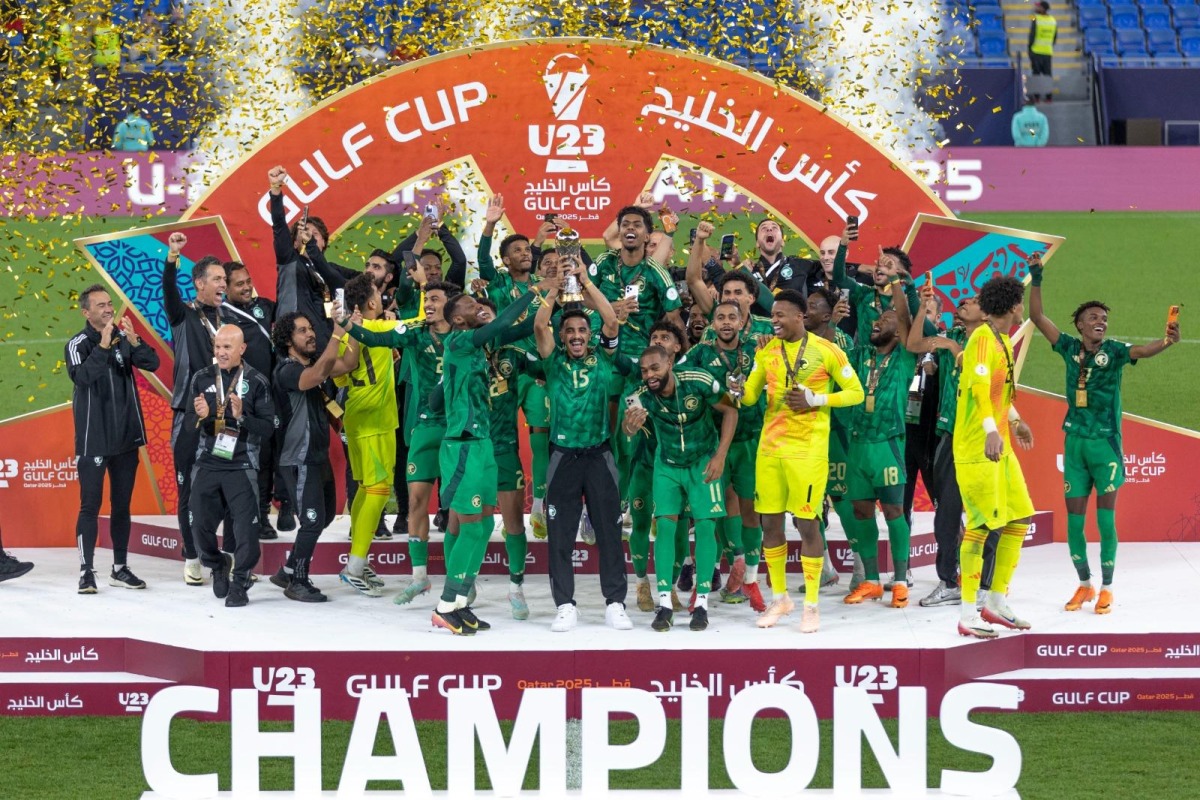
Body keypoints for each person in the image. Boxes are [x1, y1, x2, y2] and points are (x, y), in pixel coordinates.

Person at [1027, 254, 1179, 614]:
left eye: (1104, 318)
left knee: (1105, 520)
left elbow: (1143, 350)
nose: (1101, 321)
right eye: (1093, 317)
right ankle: (1084, 584)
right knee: (1074, 523)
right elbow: (1036, 317)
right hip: (1075, 445)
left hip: (1105, 446)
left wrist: (1168, 341)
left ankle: (1108, 588)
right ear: (1079, 324)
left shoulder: (1115, 351)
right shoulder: (1067, 347)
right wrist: (1037, 278)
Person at [740, 289, 864, 633]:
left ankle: (811, 604)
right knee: (770, 525)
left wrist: (816, 398)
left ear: (800, 317)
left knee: (808, 525)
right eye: (773, 315)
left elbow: (857, 393)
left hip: (807, 452)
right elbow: (750, 397)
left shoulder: (828, 351)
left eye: (780, 315)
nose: (774, 320)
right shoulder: (766, 352)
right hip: (770, 452)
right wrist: (736, 388)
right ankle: (781, 598)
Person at [430, 288, 538, 635]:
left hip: (483, 445)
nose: (478, 307)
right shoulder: (459, 342)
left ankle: (461, 602)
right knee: (471, 526)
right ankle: (445, 605)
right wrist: (534, 290)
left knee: (484, 527)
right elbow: (505, 320)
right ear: (457, 318)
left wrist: (556, 299)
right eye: (470, 306)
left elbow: (525, 327)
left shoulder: (480, 347)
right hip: (462, 445)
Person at [535, 258, 633, 632]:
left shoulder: (605, 360)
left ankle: (615, 602)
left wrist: (586, 283)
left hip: (599, 455)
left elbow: (610, 320)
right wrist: (557, 287)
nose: (576, 335)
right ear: (563, 337)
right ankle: (565, 604)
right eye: (570, 330)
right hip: (563, 458)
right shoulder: (553, 362)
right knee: (560, 536)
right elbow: (540, 324)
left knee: (609, 531)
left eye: (581, 330)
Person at [347, 280, 458, 606]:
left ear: (450, 305)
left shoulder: (465, 337)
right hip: (423, 428)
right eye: (427, 300)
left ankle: (458, 577)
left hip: (458, 430)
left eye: (435, 299)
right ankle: (419, 577)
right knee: (415, 502)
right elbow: (376, 336)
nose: (429, 305)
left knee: (455, 508)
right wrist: (346, 324)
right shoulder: (415, 333)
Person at [624, 346, 738, 632]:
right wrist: (629, 428)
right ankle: (664, 604)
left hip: (703, 461)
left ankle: (701, 605)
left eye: (655, 368)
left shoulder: (698, 379)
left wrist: (721, 455)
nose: (650, 375)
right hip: (668, 465)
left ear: (670, 363)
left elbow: (731, 409)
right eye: (645, 370)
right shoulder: (639, 395)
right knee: (664, 526)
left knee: (704, 526)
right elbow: (628, 429)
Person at [954, 276, 1037, 638]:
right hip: (977, 447)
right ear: (1015, 305)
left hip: (999, 444)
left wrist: (1015, 422)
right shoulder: (982, 340)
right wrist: (990, 430)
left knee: (1019, 518)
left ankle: (996, 601)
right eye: (1021, 301)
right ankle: (966, 612)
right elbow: (978, 391)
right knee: (980, 527)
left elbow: (1001, 394)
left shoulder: (1002, 340)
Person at [68, 285, 160, 593]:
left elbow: (152, 363)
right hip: (94, 440)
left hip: (125, 439)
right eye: (101, 305)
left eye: (110, 304)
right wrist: (104, 347)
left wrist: (135, 340)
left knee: (122, 506)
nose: (109, 309)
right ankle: (86, 571)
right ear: (86, 312)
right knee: (89, 507)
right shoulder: (77, 344)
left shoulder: (123, 338)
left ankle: (120, 568)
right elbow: (82, 378)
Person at [908, 287, 991, 607]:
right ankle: (949, 580)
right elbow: (914, 343)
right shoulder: (950, 334)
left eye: (971, 302)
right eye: (961, 301)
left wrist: (953, 346)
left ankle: (986, 583)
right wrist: (921, 305)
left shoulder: (988, 341)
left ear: (985, 313)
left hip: (980, 437)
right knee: (946, 514)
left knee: (984, 513)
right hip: (948, 435)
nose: (963, 303)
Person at [476, 195, 552, 541]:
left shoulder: (542, 285)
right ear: (506, 260)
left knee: (539, 439)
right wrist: (491, 224)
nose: (524, 253)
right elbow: (482, 261)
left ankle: (537, 509)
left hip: (532, 371)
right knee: (496, 441)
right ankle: (480, 506)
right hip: (501, 373)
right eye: (517, 250)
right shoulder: (499, 284)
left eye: (527, 249)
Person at [162, 231, 234, 585]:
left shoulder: (229, 319)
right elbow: (169, 292)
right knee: (188, 490)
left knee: (229, 484)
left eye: (225, 279)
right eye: (218, 279)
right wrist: (173, 257)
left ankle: (218, 553)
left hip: (225, 418)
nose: (224, 284)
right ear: (199, 283)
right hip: (189, 417)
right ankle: (191, 556)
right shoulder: (183, 315)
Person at [335, 273, 413, 598]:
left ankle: (359, 557)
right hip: (374, 421)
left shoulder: (345, 336)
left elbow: (341, 381)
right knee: (379, 491)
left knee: (367, 488)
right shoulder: (379, 329)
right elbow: (417, 326)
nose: (383, 300)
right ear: (370, 303)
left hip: (359, 417)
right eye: (379, 296)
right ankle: (354, 567)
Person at [841, 284, 917, 610]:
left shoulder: (904, 357)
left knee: (894, 511)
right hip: (857, 446)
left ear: (899, 331)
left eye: (885, 318)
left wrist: (898, 288)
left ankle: (900, 581)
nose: (877, 320)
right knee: (860, 511)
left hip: (887, 444)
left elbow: (904, 315)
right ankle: (871, 580)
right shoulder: (858, 355)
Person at [268, 311, 353, 602]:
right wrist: (337, 334)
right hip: (298, 459)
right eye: (302, 331)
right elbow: (315, 376)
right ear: (288, 341)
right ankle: (298, 581)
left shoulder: (314, 364)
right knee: (313, 521)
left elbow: (349, 363)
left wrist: (355, 330)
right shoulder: (287, 370)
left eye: (310, 328)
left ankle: (288, 570)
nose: (310, 334)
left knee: (325, 515)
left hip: (317, 457)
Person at [188, 325, 275, 608]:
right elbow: (192, 424)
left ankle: (240, 582)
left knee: (247, 529)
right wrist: (201, 416)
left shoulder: (256, 381)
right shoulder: (201, 378)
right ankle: (217, 564)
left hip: (241, 465)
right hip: (208, 463)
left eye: (227, 347)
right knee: (199, 525)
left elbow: (269, 428)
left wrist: (242, 417)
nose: (221, 352)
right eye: (217, 346)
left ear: (242, 349)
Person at [222, 261, 279, 540]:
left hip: (265, 395)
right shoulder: (220, 315)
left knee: (266, 457)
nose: (246, 287)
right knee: (237, 458)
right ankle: (237, 518)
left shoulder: (264, 306)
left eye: (248, 281)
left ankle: (263, 515)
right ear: (227, 288)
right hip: (235, 395)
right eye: (239, 284)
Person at [267, 166, 350, 350]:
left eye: (315, 234)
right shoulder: (289, 260)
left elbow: (346, 285)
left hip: (324, 338)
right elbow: (279, 225)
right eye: (303, 232)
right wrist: (276, 189)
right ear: (294, 243)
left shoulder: (328, 270)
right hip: (294, 342)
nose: (308, 236)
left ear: (324, 243)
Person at [1028, 1, 1056, 103]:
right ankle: (1049, 97)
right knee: (1048, 75)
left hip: (1036, 51)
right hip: (1048, 51)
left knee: (1036, 74)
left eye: (1038, 7)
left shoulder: (1036, 19)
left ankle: (1037, 97)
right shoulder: (1053, 20)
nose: (1036, 8)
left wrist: (1029, 50)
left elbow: (1032, 36)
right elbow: (1054, 37)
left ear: (1043, 9)